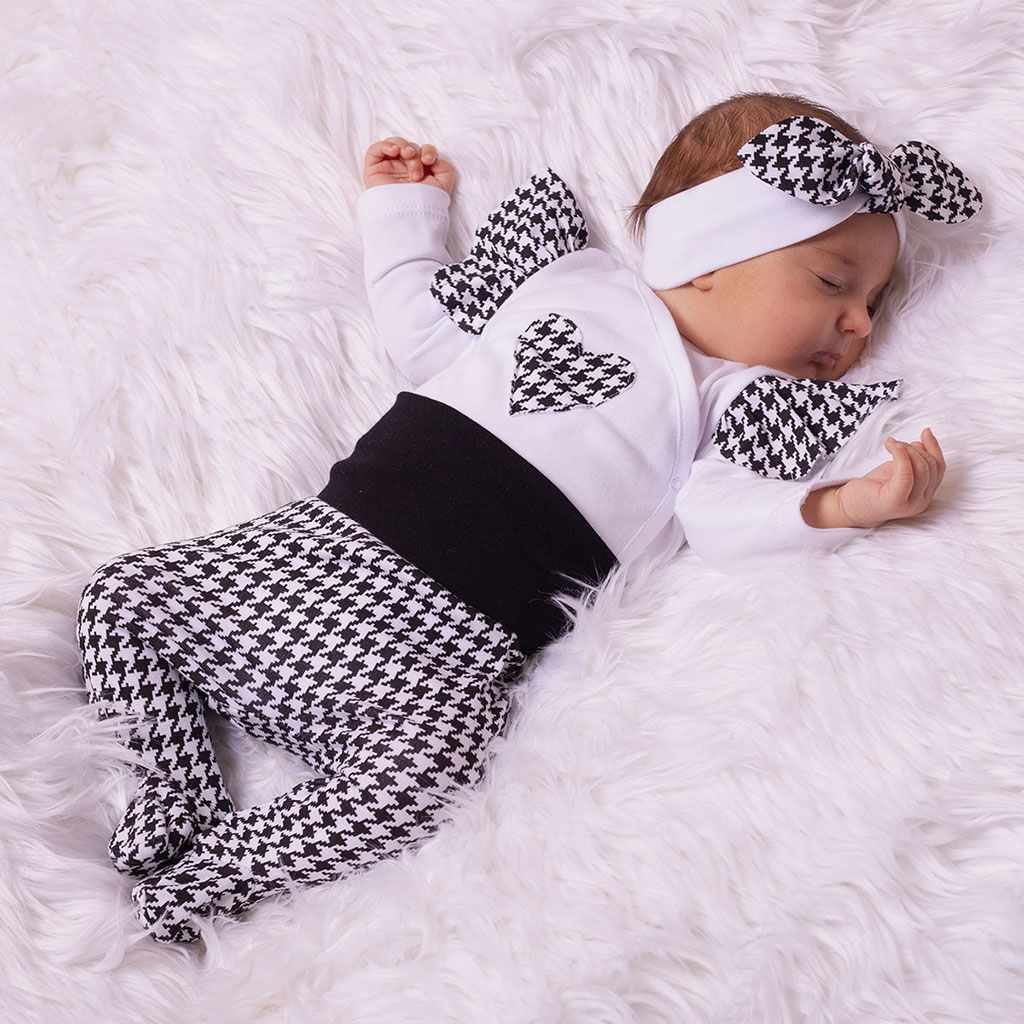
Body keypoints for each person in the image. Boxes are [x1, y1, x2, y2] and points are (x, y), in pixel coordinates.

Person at [76, 90, 980, 944]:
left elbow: (723, 516)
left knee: (435, 769)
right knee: (122, 597)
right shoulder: (569, 282)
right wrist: (403, 215)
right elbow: (423, 336)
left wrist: (843, 503)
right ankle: (170, 793)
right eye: (833, 283)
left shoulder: (737, 402)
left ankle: (214, 876)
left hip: (441, 650)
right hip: (314, 550)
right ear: (708, 256)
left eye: (873, 305)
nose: (860, 325)